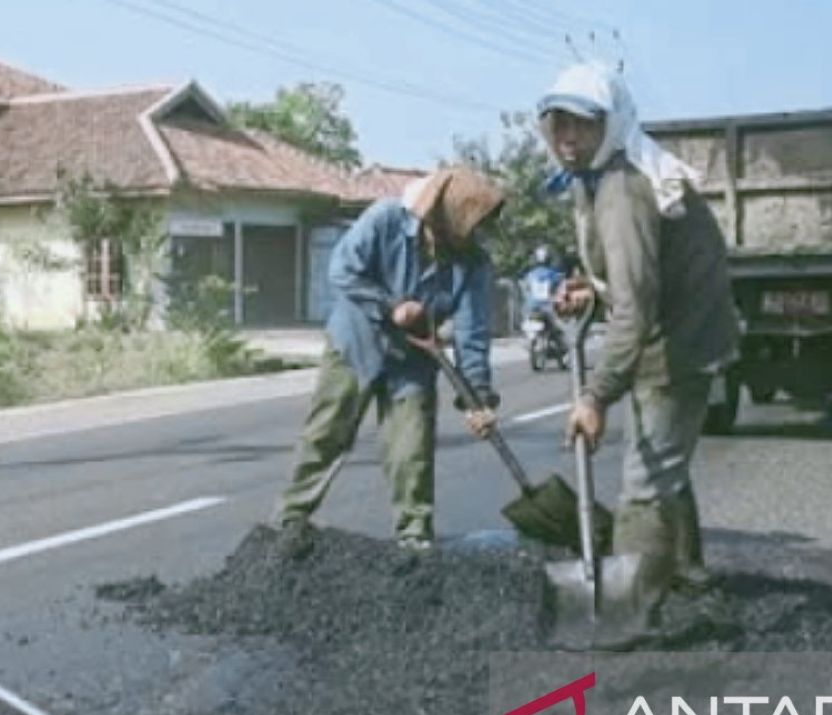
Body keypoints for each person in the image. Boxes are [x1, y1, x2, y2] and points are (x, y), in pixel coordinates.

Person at [537, 61, 739, 616]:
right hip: (672, 331)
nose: (568, 139)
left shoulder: (623, 189)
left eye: (582, 125)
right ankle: (688, 572)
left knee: (645, 482)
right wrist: (590, 289)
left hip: (679, 344)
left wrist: (595, 395)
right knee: (661, 457)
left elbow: (637, 305)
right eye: (557, 125)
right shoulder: (600, 178)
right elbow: (632, 280)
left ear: (612, 125)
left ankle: (628, 615)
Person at [272, 166, 505, 556]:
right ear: (445, 216)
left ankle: (414, 539)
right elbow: (342, 270)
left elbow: (472, 335)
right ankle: (289, 523)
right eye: (472, 223)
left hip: (413, 359)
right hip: (356, 342)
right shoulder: (384, 220)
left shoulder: (474, 265)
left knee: (411, 451)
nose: (477, 233)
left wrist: (477, 397)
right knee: (326, 436)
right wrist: (391, 306)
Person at [519, 244, 566, 321]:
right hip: (549, 306)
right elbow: (561, 283)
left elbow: (525, 288)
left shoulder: (529, 275)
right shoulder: (552, 274)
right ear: (548, 260)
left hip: (531, 306)